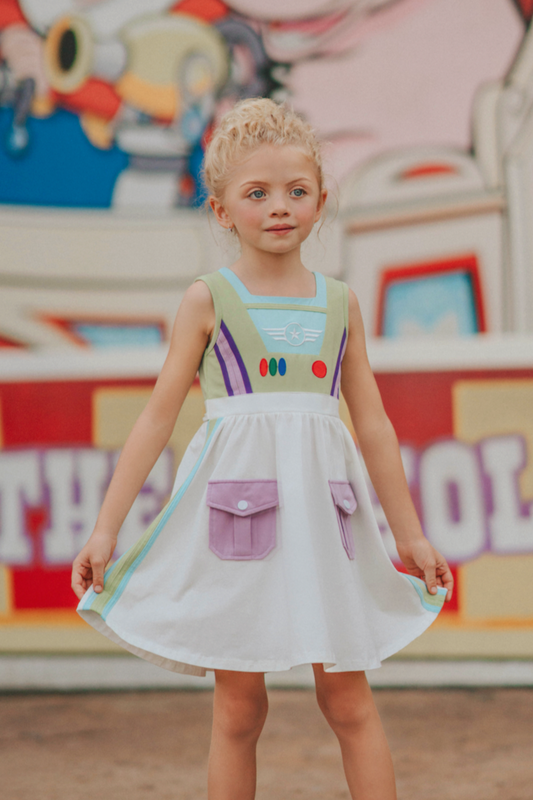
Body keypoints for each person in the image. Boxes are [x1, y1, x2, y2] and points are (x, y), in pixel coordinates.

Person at [72, 97, 454, 800]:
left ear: (319, 203)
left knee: (347, 701)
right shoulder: (207, 299)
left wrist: (412, 537)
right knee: (239, 708)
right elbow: (157, 418)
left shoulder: (339, 304)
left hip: (322, 528)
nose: (278, 207)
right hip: (235, 528)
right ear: (222, 211)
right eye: (257, 193)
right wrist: (105, 528)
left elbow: (371, 426)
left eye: (296, 191)